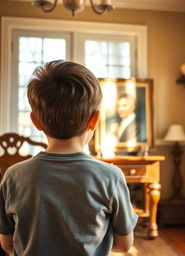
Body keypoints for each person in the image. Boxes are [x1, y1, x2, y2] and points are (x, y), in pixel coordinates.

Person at [0, 60, 138, 256]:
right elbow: (124, 245)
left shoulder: (12, 176)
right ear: (94, 120)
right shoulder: (111, 176)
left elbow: (7, 245)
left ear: (35, 121)